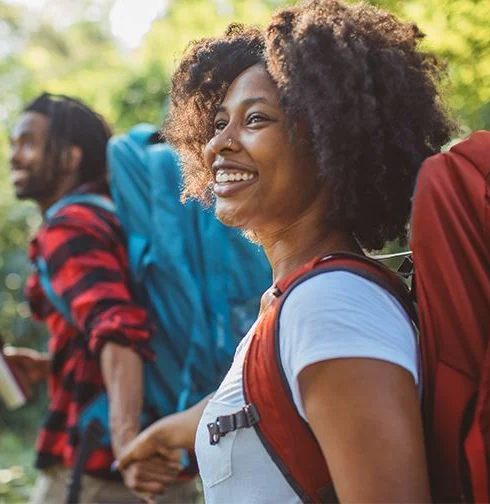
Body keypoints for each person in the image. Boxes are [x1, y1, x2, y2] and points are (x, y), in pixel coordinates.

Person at [117, 0, 457, 502]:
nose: (219, 145)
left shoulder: (330, 306)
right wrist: (175, 430)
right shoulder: (295, 300)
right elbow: (278, 396)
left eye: (255, 119)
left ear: (328, 142)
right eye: (216, 123)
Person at [5, 93, 198, 503]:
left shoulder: (70, 226)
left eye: (27, 143)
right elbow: (126, 321)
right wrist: (48, 366)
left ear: (70, 158)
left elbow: (118, 328)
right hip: (163, 448)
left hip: (104, 470)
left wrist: (125, 442)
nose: (13, 156)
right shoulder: (113, 214)